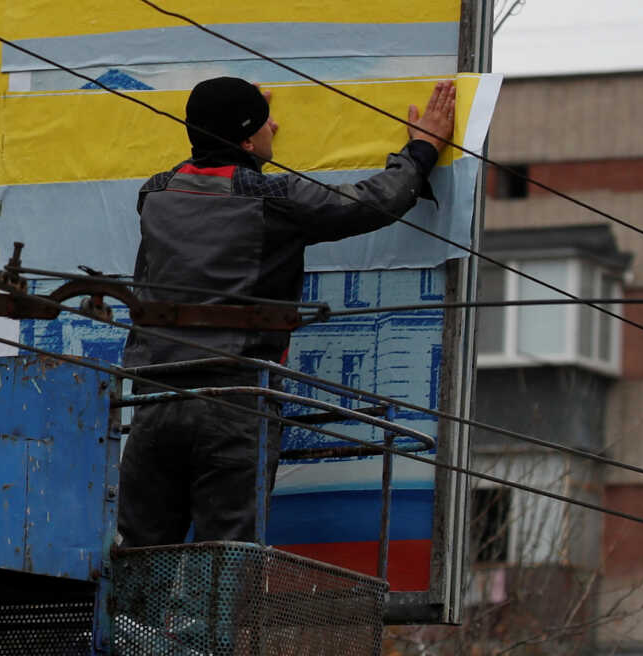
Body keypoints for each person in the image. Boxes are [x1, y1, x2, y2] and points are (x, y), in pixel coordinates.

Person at [115, 73, 457, 549]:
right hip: (232, 404)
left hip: (151, 406)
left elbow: (210, 173)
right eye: (264, 126)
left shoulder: (155, 194)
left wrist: (240, 136)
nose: (274, 130)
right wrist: (421, 151)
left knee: (140, 554)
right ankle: (205, 629)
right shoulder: (274, 200)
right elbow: (372, 203)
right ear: (249, 136)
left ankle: (132, 627)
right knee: (226, 557)